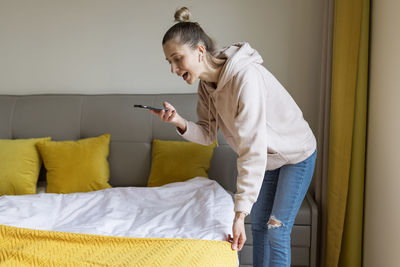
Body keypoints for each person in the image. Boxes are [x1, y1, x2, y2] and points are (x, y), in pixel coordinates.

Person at [150, 7, 317, 267]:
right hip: (267, 158)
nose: (173, 69)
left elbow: (252, 147)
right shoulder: (207, 86)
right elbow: (208, 135)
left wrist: (239, 215)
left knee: (276, 231)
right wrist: (178, 121)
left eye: (177, 59)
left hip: (295, 154)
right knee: (259, 228)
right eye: (169, 63)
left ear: (200, 51)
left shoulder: (245, 78)